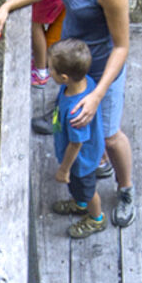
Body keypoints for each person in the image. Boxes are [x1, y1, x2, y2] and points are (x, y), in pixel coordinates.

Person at [0, 0, 135, 227]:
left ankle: (126, 188)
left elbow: (122, 47)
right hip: (71, 62)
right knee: (77, 127)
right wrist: (8, 7)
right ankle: (87, 184)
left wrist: (97, 95)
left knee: (110, 135)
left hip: (100, 69)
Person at [45, 39, 106, 238]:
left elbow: (76, 142)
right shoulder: (85, 82)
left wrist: (64, 169)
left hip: (81, 161)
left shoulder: (76, 112)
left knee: (88, 190)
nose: (48, 71)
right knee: (79, 189)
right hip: (84, 152)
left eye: (50, 69)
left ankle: (96, 219)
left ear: (64, 77)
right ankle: (80, 204)